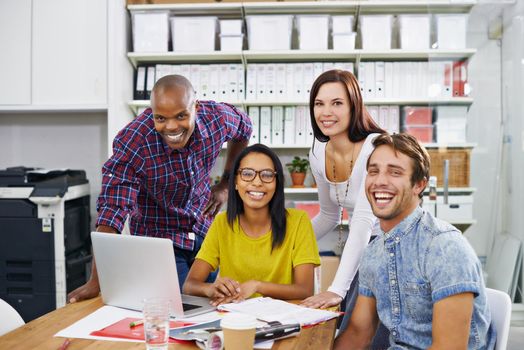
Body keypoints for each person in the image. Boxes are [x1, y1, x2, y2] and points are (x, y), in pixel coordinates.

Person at [68, 75, 252, 303]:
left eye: (181, 116)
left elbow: (245, 128)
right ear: (151, 111)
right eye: (161, 118)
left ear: (196, 107)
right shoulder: (134, 141)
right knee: (181, 308)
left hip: (204, 234)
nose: (172, 126)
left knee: (210, 307)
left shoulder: (216, 118)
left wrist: (226, 184)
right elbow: (112, 210)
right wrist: (97, 280)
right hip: (161, 241)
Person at [335, 133, 495, 349]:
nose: (380, 181)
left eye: (395, 172)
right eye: (373, 171)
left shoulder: (444, 247)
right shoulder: (373, 252)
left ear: (419, 185)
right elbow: (358, 334)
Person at [300, 69, 387, 340]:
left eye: (337, 103)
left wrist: (336, 289)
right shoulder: (317, 150)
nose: (326, 112)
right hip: (361, 245)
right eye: (319, 103)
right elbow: (328, 215)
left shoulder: (375, 147)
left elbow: (362, 221)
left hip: (390, 248)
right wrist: (287, 243)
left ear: (353, 106)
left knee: (354, 330)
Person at [183, 144, 321, 306]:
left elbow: (305, 290)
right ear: (235, 182)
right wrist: (210, 289)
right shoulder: (222, 223)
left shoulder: (299, 221)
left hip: (281, 321)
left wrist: (257, 285)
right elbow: (189, 285)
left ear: (277, 183)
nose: (257, 182)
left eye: (267, 175)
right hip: (235, 321)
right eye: (247, 174)